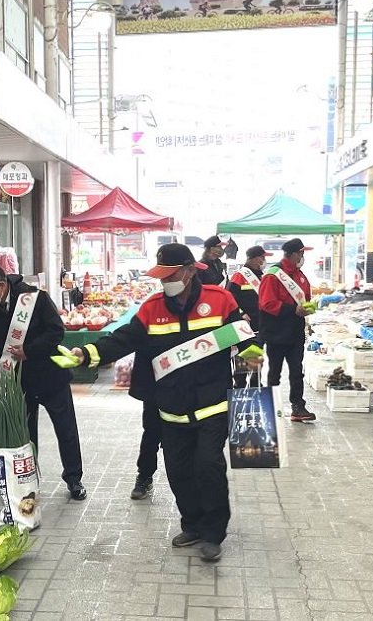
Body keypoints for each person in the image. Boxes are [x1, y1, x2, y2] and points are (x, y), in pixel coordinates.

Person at [69, 244, 260, 561]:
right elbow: (122, 339)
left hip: (212, 404)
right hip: (170, 407)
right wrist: (87, 353)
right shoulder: (151, 308)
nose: (164, 281)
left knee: (208, 466)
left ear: (188, 271)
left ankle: (213, 533)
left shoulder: (219, 299)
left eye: (170, 275)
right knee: (179, 470)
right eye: (161, 276)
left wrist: (252, 352)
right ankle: (193, 524)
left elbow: (242, 333)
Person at [0, 263, 87, 500]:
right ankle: (28, 482)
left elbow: (56, 332)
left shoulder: (34, 299)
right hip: (17, 382)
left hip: (50, 376)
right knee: (23, 434)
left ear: (1, 285)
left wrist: (30, 350)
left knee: (66, 431)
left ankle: (74, 479)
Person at [259, 238, 316, 422]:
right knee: (274, 371)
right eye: (301, 253)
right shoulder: (273, 275)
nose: (302, 257)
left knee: (296, 371)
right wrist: (293, 310)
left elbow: (305, 298)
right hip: (276, 332)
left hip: (295, 331)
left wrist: (308, 307)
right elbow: (266, 303)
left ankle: (298, 407)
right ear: (292, 254)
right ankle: (271, 406)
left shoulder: (300, 275)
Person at [228, 245, 272, 388]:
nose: (264, 261)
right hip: (244, 327)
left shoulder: (263, 276)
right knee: (243, 358)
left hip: (261, 325)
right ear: (253, 258)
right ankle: (239, 386)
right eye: (262, 257)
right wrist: (240, 313)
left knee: (257, 358)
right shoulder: (239, 276)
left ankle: (255, 384)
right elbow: (229, 298)